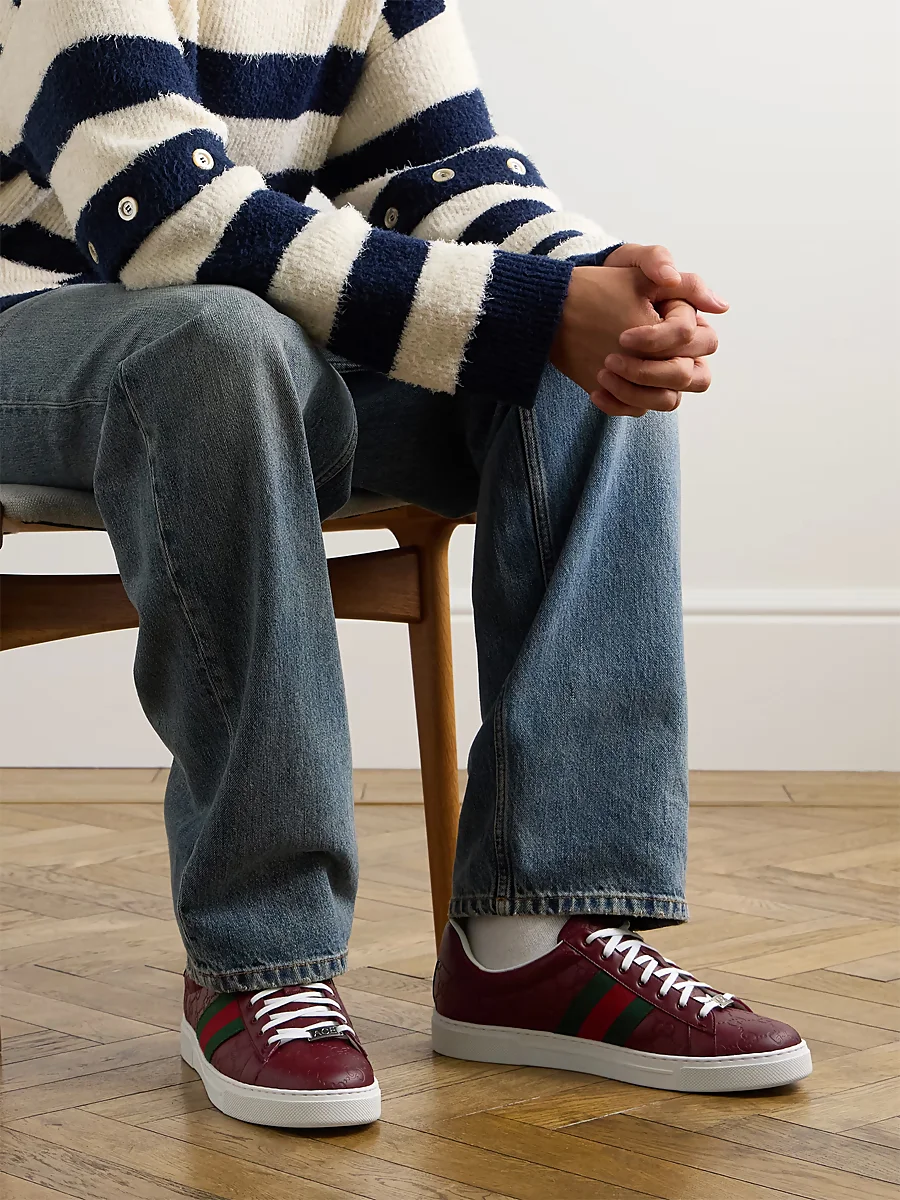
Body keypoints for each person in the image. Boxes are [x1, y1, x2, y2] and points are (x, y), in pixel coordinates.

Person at [0, 0, 811, 1129]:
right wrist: (537, 309)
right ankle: (260, 961)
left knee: (601, 364)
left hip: (266, 337)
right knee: (220, 343)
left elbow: (445, 175)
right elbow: (170, 226)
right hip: (40, 335)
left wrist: (596, 276)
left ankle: (541, 934)